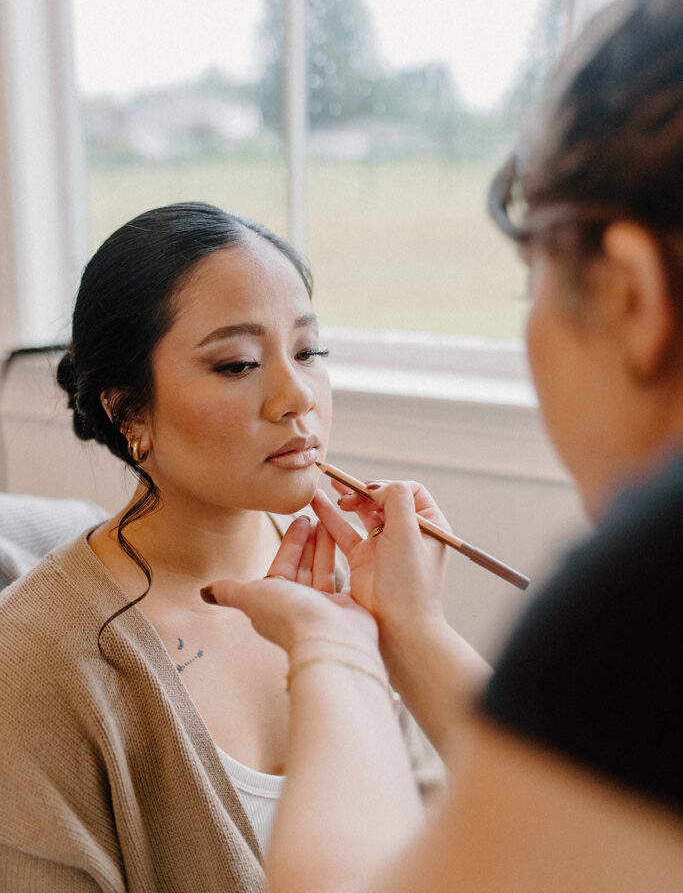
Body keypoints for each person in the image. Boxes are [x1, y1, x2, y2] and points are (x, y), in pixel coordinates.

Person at [200, 0, 683, 891]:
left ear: (629, 296)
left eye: (526, 287)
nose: (294, 396)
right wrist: (410, 627)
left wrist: (332, 645)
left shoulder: (651, 585)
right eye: (234, 361)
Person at [0, 204, 441, 892]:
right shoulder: (33, 665)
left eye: (308, 352)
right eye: (237, 364)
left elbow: (458, 834)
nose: (297, 397)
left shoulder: (361, 581)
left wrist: (411, 633)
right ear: (128, 411)